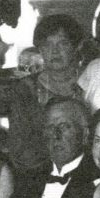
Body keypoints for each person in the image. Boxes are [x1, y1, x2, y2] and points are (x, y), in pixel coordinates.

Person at [0, 97, 99, 198]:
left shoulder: (97, 178)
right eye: (50, 127)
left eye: (64, 126)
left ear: (85, 134)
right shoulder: (30, 178)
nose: (56, 135)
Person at [7, 14, 86, 176]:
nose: (54, 51)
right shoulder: (26, 89)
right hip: (39, 174)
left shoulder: (90, 81)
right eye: (47, 45)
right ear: (40, 49)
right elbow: (19, 145)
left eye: (62, 43)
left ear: (76, 46)